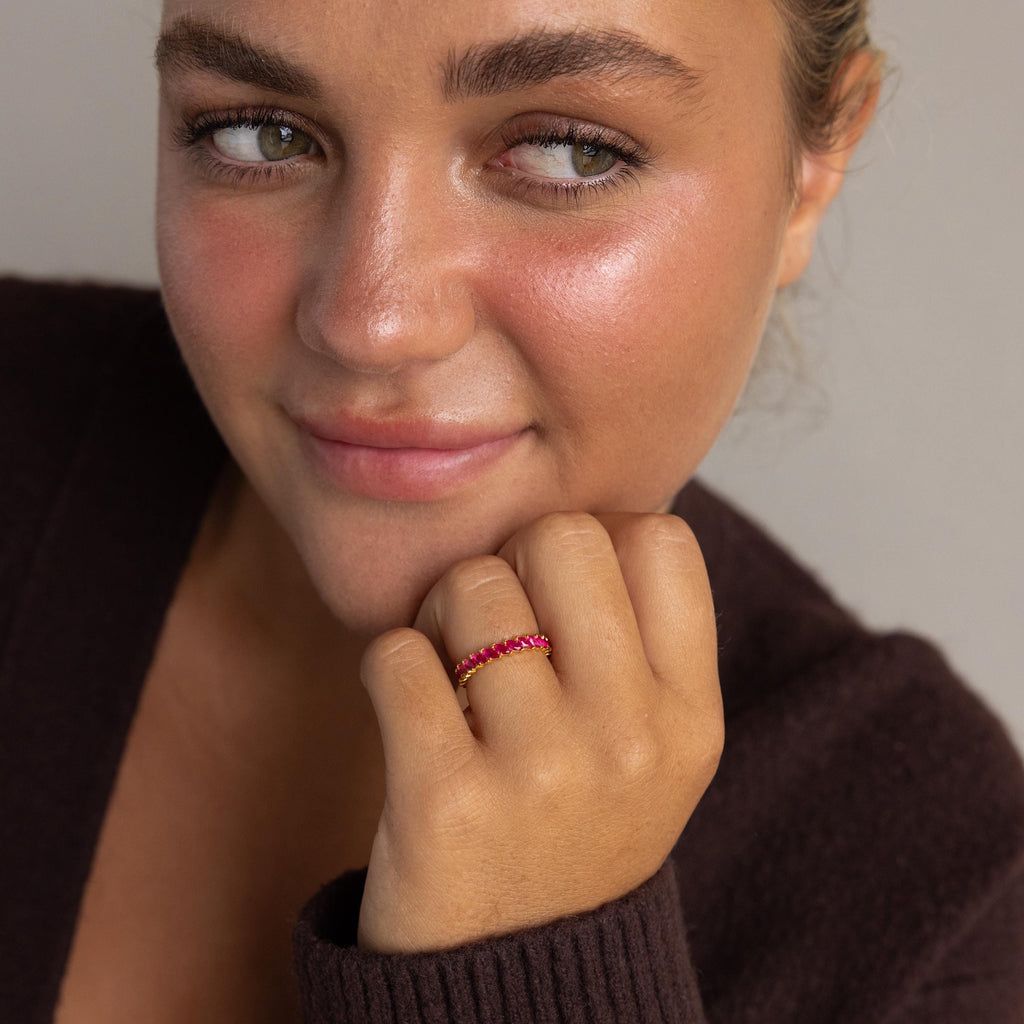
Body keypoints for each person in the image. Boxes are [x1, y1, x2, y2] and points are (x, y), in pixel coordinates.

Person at [1, 0, 1022, 1021]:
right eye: (258, 134)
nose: (371, 322)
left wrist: (539, 970)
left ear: (812, 168)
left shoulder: (943, 910)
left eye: (568, 152)